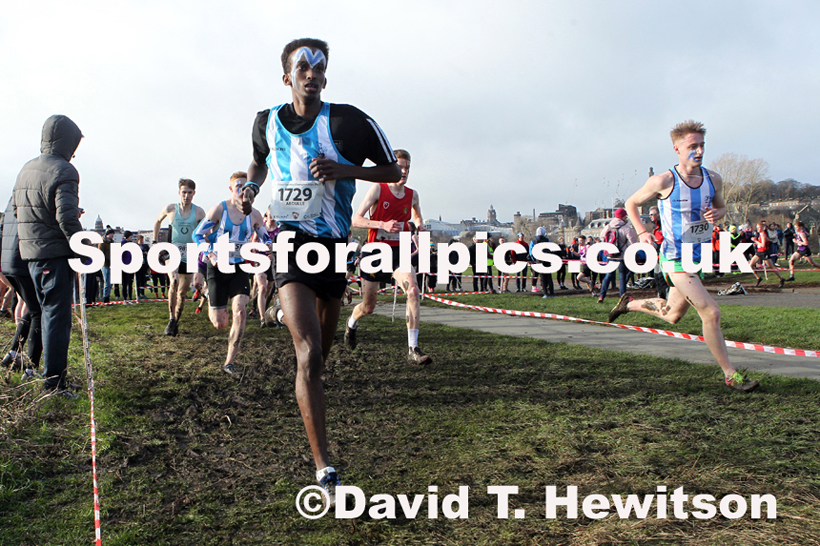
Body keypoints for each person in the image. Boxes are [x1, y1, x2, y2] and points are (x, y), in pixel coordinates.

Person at [244, 38, 401, 501]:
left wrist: (343, 168)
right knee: (309, 355)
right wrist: (249, 189)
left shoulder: (348, 120)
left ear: (325, 77)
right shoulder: (265, 122)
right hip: (290, 242)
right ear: (287, 76)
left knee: (321, 358)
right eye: (302, 67)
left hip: (332, 247)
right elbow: (257, 164)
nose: (311, 74)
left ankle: (304, 364)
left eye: (319, 68)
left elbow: (392, 171)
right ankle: (325, 467)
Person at [609, 119, 758, 392]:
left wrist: (718, 214)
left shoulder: (713, 179)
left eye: (702, 146)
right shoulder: (663, 180)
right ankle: (730, 374)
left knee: (672, 314)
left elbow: (721, 208)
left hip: (696, 257)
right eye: (692, 146)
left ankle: (628, 304)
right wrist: (643, 232)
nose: (699, 151)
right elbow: (630, 203)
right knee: (711, 312)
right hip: (674, 258)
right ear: (677, 149)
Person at [12, 115, 84, 397]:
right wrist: (83, 249)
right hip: (54, 255)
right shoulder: (65, 170)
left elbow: (18, 212)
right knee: (56, 317)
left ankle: (48, 375)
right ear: (68, 143)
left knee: (43, 312)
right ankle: (54, 384)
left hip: (30, 253)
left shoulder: (25, 169)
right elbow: (66, 217)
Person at [345, 149, 431, 363]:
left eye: (407, 168)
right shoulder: (378, 189)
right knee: (368, 307)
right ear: (392, 167)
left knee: (412, 290)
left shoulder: (413, 194)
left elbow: (417, 215)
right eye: (400, 167)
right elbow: (356, 219)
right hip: (375, 249)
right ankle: (351, 323)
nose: (403, 172)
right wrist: (382, 224)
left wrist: (420, 227)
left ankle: (413, 349)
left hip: (399, 249)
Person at [193, 172, 268, 374]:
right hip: (217, 267)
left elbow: (265, 236)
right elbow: (197, 234)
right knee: (220, 323)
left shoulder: (254, 214)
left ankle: (229, 362)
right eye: (238, 186)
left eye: (246, 187)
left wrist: (268, 247)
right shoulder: (220, 209)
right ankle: (211, 295)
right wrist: (210, 254)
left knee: (240, 311)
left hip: (240, 266)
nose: (242, 191)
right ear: (231, 189)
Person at [153, 178, 206, 336]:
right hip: (173, 250)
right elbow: (157, 221)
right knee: (174, 282)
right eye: (184, 192)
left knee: (182, 293)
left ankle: (176, 320)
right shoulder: (170, 208)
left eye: (190, 193)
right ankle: (170, 319)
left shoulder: (199, 212)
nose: (186, 196)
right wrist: (155, 241)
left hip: (190, 252)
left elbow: (207, 230)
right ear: (179, 192)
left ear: (194, 194)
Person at [1, 197, 42, 372]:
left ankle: (13, 353)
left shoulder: (13, 201)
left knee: (32, 308)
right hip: (23, 260)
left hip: (9, 262)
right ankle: (31, 367)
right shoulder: (29, 198)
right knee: (39, 312)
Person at [597, 208, 637, 303]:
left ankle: (602, 296)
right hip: (621, 256)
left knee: (608, 276)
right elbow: (633, 242)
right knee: (622, 278)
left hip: (610, 255)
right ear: (623, 217)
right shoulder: (626, 228)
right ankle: (622, 297)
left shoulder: (608, 226)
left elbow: (602, 237)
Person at [749, 222, 784, 287]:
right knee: (751, 265)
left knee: (771, 267)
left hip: (764, 252)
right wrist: (757, 243)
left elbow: (763, 245)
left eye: (760, 227)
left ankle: (781, 278)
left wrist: (755, 241)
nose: (758, 229)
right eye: (757, 228)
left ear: (763, 228)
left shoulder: (763, 234)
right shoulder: (760, 234)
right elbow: (763, 243)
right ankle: (758, 278)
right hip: (759, 252)